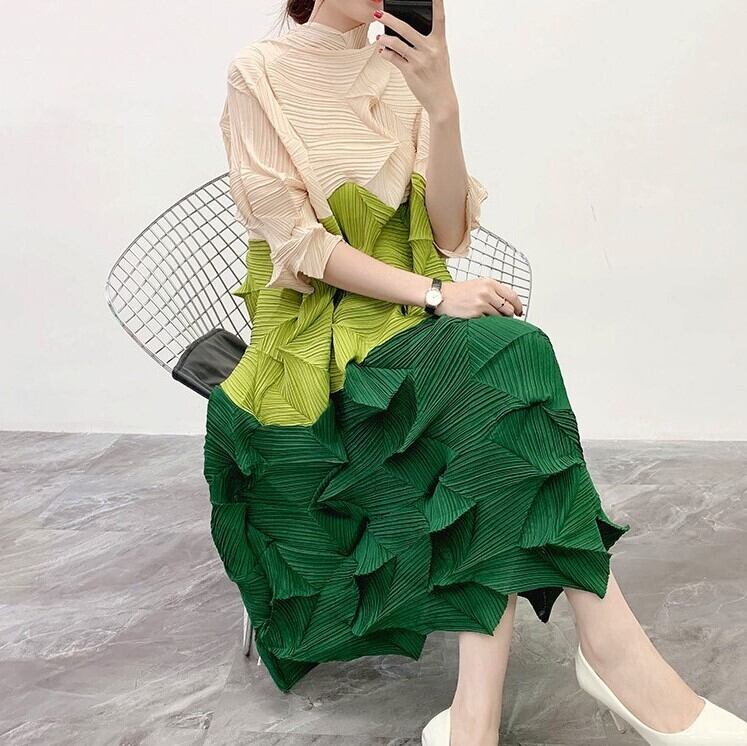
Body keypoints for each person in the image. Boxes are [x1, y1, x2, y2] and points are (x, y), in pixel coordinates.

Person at [202, 1, 747, 744]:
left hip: (411, 326)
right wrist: (434, 295)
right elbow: (299, 246)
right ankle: (608, 657)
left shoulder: (401, 69)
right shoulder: (258, 73)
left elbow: (448, 231)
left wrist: (443, 104)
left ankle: (477, 719)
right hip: (314, 346)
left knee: (500, 390)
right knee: (509, 364)